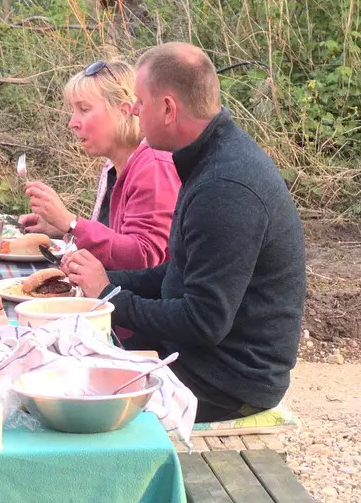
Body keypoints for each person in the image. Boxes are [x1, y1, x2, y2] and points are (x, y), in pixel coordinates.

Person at [61, 43, 306, 423]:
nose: (134, 110)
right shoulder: (210, 159)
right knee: (66, 356)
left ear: (168, 109)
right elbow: (177, 271)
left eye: (140, 102)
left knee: (73, 397)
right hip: (199, 358)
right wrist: (107, 281)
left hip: (227, 383)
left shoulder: (225, 187)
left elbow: (203, 321)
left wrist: (109, 296)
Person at [19, 57, 180, 269]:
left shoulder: (155, 165)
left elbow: (145, 257)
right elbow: (114, 240)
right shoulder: (113, 166)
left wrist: (72, 222)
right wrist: (60, 228)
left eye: (84, 110)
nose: (72, 123)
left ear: (123, 112)